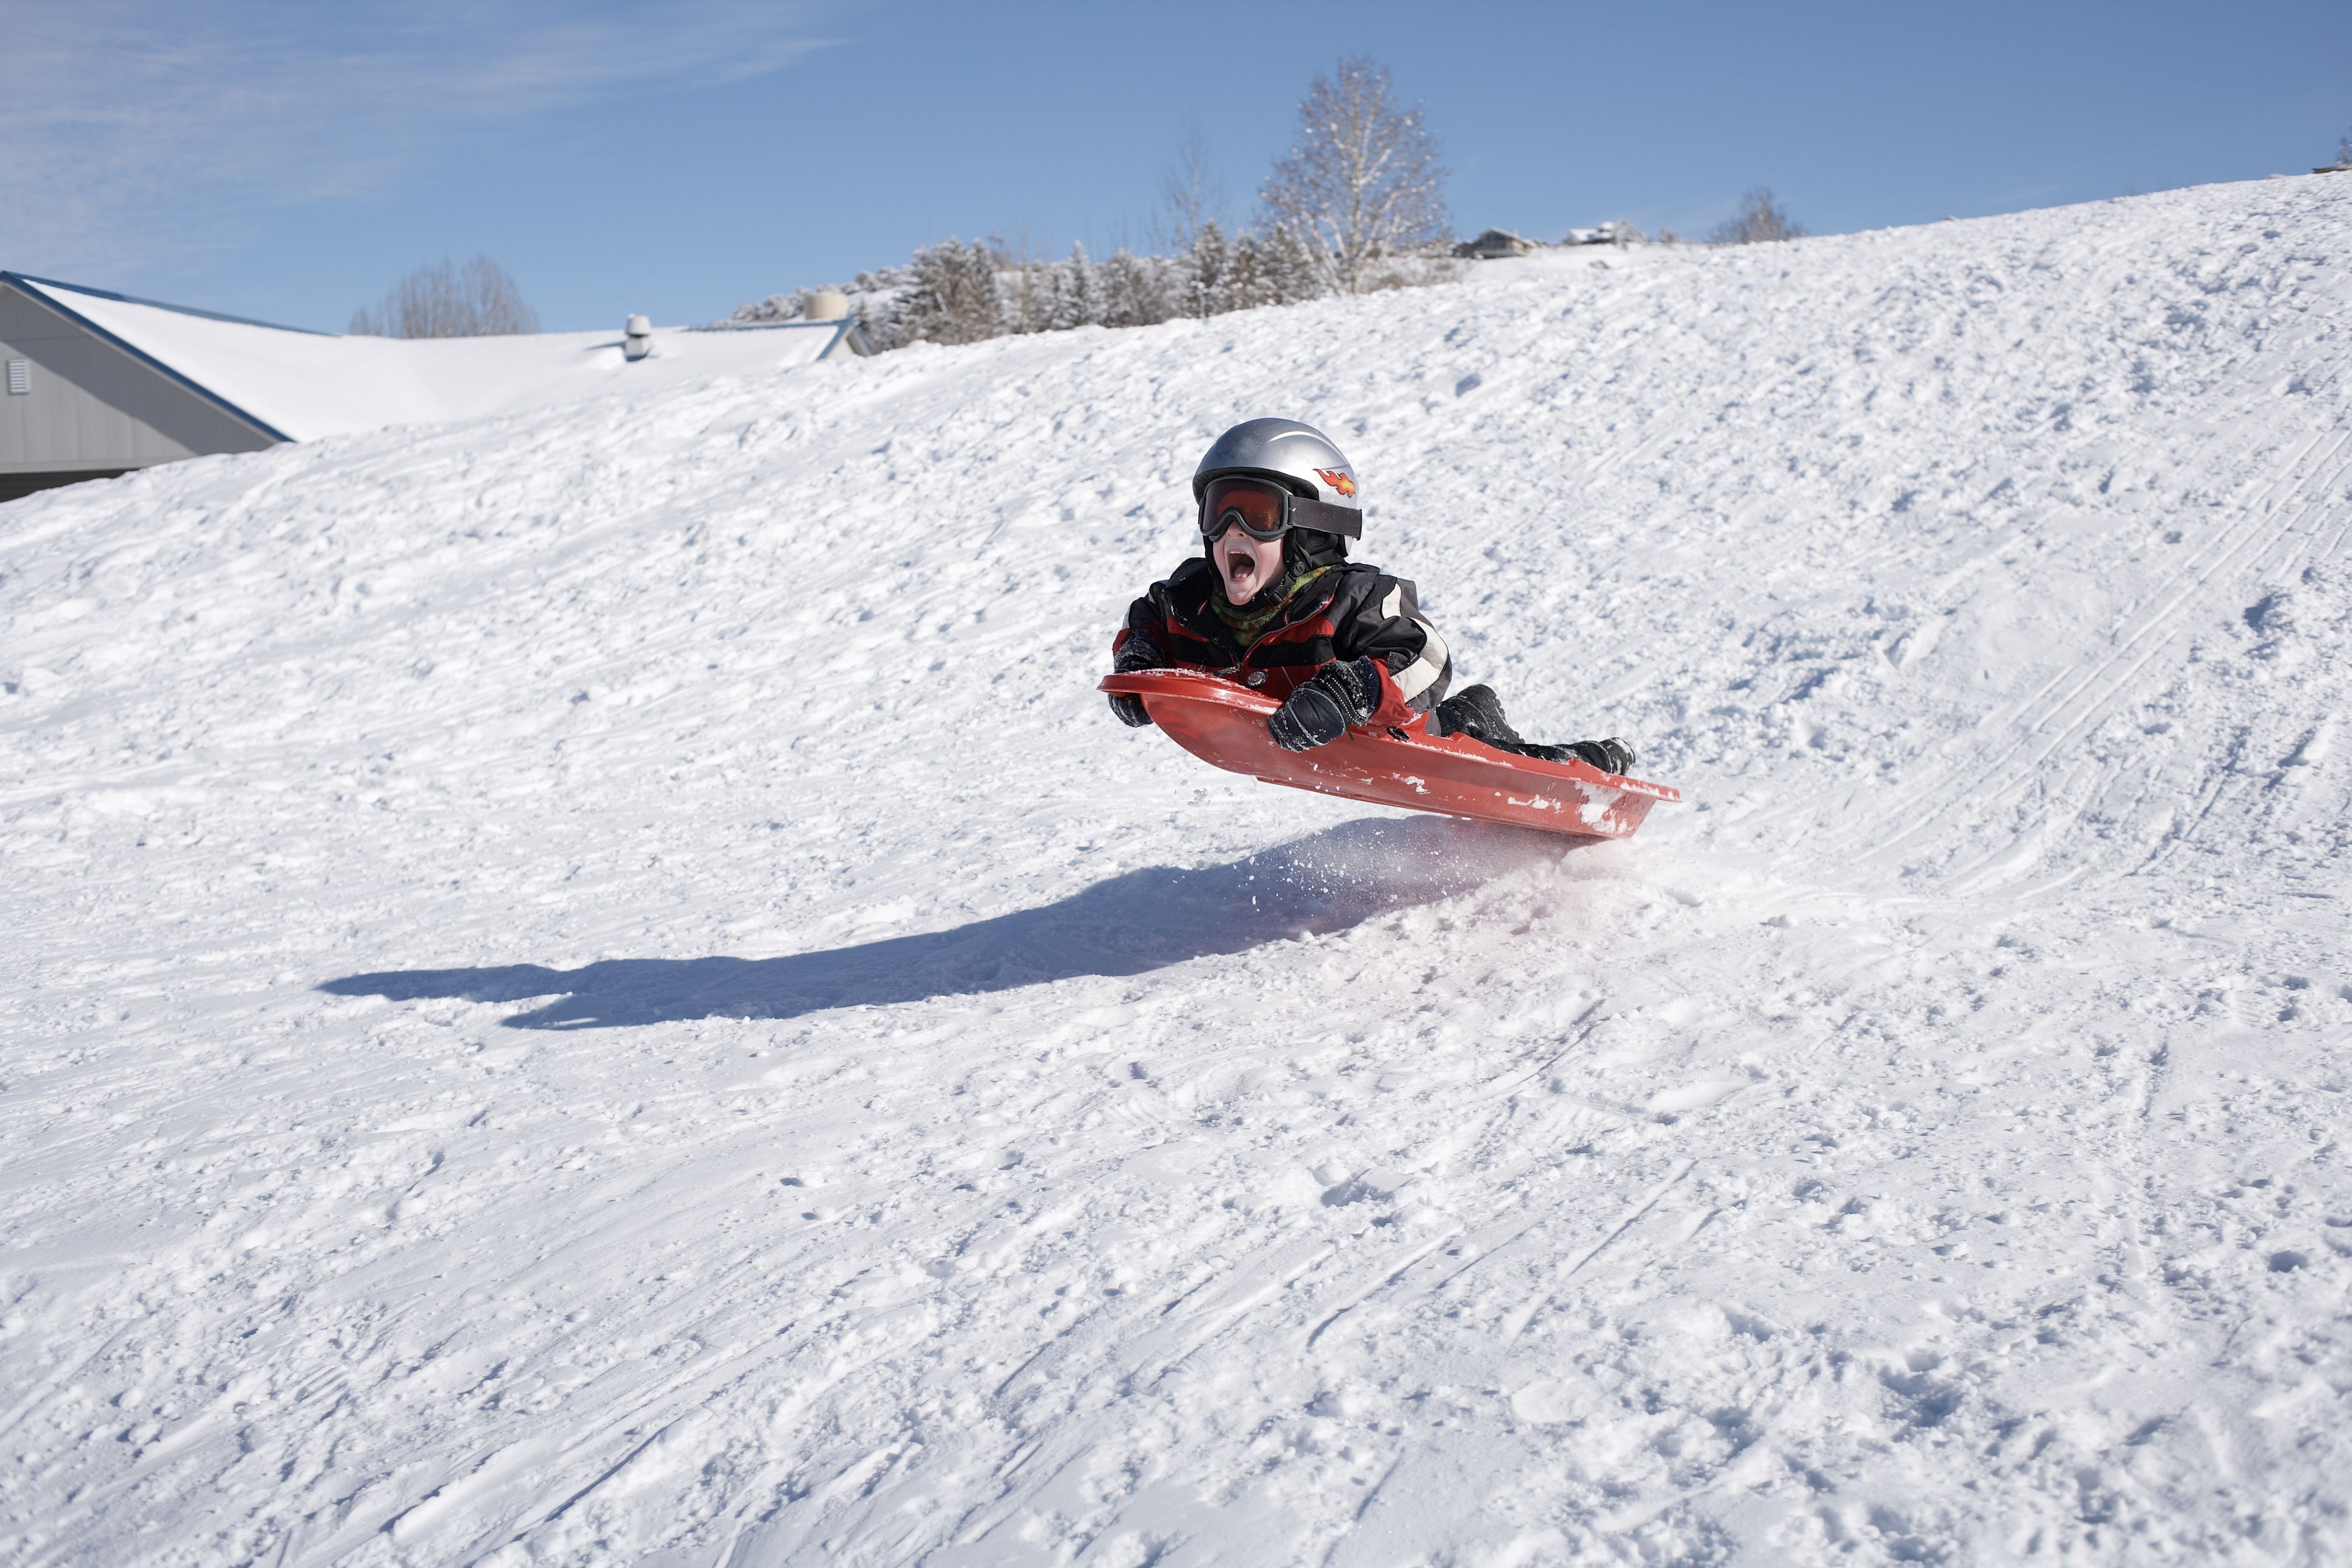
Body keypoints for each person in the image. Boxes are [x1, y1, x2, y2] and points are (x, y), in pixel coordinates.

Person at [1108, 418, 1636, 775]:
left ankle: (1583, 761)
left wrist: (1349, 691)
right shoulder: (1189, 600)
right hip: (1303, 728)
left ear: (1312, 528)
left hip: (1404, 734)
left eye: (1257, 513)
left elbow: (1426, 657)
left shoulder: (1352, 598)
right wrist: (1140, 664)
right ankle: (1475, 714)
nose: (1231, 530)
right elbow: (1146, 620)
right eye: (1218, 511)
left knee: (1492, 755)